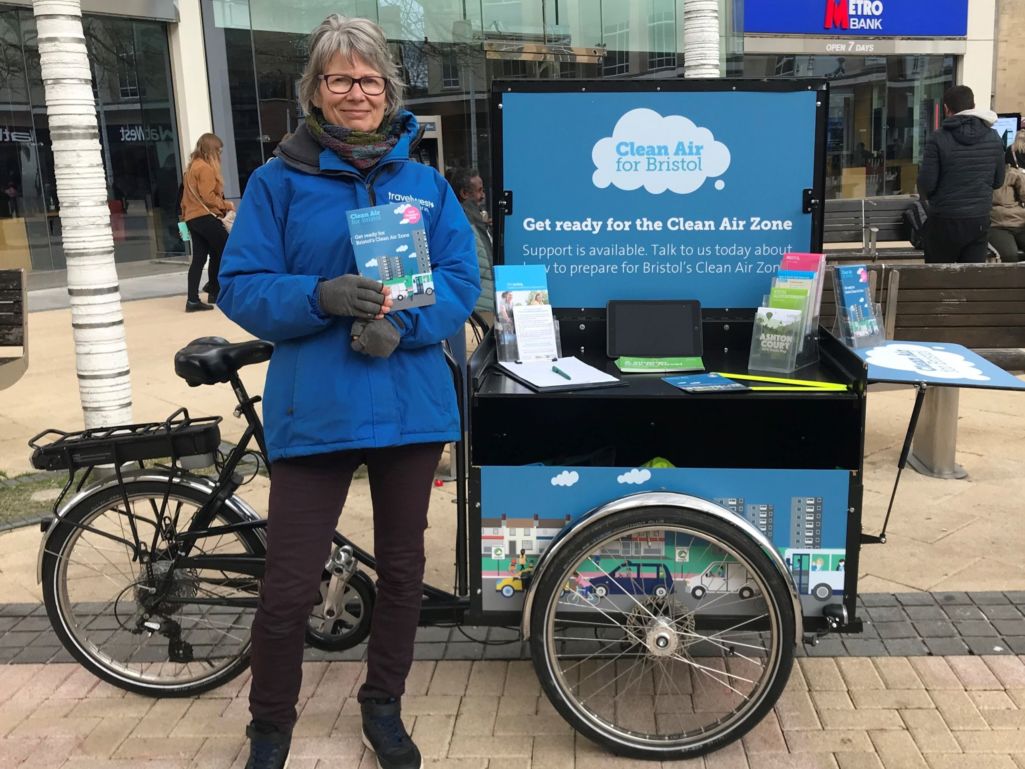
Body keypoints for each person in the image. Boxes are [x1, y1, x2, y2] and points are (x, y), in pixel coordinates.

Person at [216, 15, 479, 769]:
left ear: (387, 90)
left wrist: (411, 326)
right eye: (339, 78)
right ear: (317, 92)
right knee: (289, 585)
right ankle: (270, 728)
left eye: (367, 79)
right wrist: (319, 296)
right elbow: (240, 284)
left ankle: (382, 704)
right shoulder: (276, 182)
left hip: (405, 405)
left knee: (401, 572)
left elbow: (462, 279)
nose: (355, 92)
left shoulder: (425, 184)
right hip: (316, 409)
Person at [917, 85, 1005, 264]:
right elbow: (998, 181)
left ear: (946, 109)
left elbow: (927, 184)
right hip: (978, 220)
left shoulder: (938, 138)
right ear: (973, 105)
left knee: (939, 278)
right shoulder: (994, 137)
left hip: (944, 219)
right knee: (971, 279)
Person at [181, 132, 234, 311]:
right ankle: (214, 288)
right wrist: (227, 204)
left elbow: (184, 200)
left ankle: (193, 299)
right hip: (205, 217)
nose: (220, 154)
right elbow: (208, 197)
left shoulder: (190, 168)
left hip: (192, 218)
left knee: (200, 258)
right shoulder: (205, 168)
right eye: (218, 150)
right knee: (225, 249)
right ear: (211, 150)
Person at [446, 166, 494, 322]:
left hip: (480, 306)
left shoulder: (472, 219)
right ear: (465, 193)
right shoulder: (464, 222)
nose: (483, 196)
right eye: (479, 190)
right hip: (480, 311)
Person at [988, 159, 1025, 263]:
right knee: (1009, 255)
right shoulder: (982, 175)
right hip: (997, 225)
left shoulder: (1014, 174)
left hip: (1020, 222)